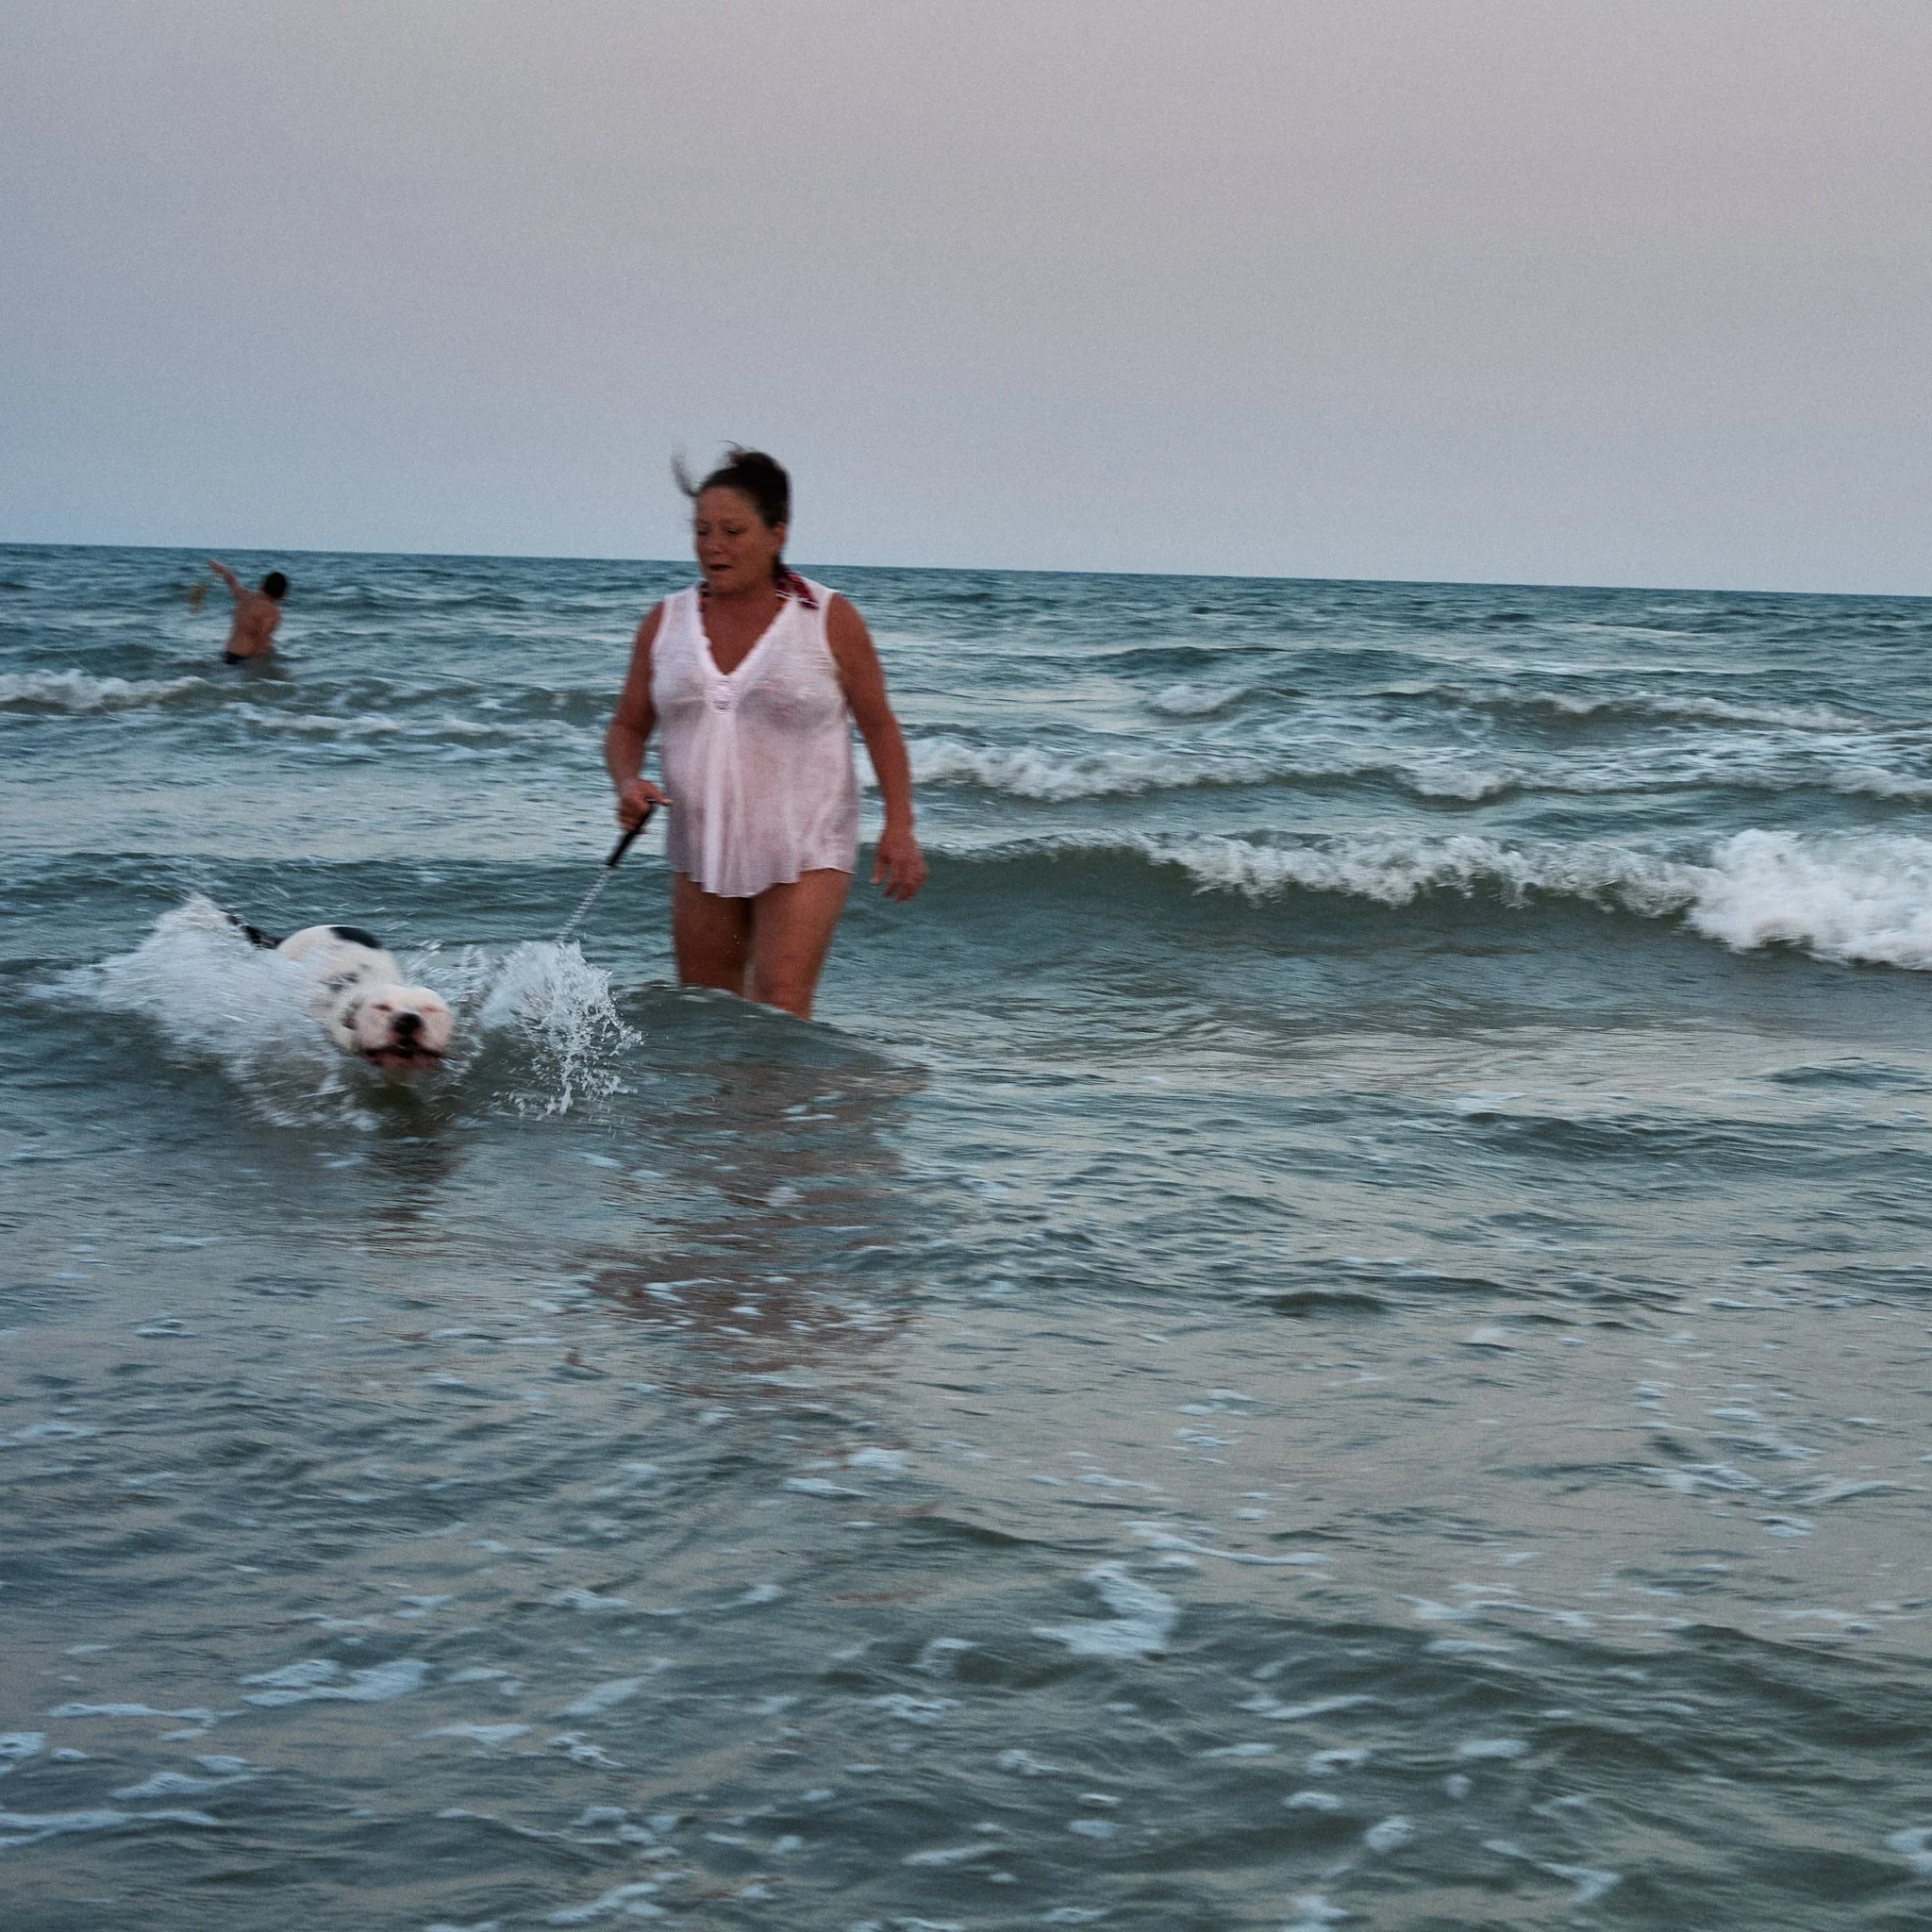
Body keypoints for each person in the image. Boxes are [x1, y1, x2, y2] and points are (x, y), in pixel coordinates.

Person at [605, 448, 925, 1020]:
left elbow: (879, 726)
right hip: (701, 841)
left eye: (733, 530)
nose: (712, 545)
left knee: (780, 1004)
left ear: (777, 534)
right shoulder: (665, 622)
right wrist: (627, 781)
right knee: (709, 1013)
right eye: (702, 530)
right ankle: (726, 1115)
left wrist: (899, 826)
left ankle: (779, 1111)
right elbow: (628, 725)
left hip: (807, 841)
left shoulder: (828, 617)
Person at [207, 560, 287, 662]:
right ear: (282, 595)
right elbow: (262, 640)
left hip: (227, 653)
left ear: (262, 585)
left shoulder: (246, 597)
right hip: (244, 660)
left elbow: (232, 582)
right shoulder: (273, 612)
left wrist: (223, 570)